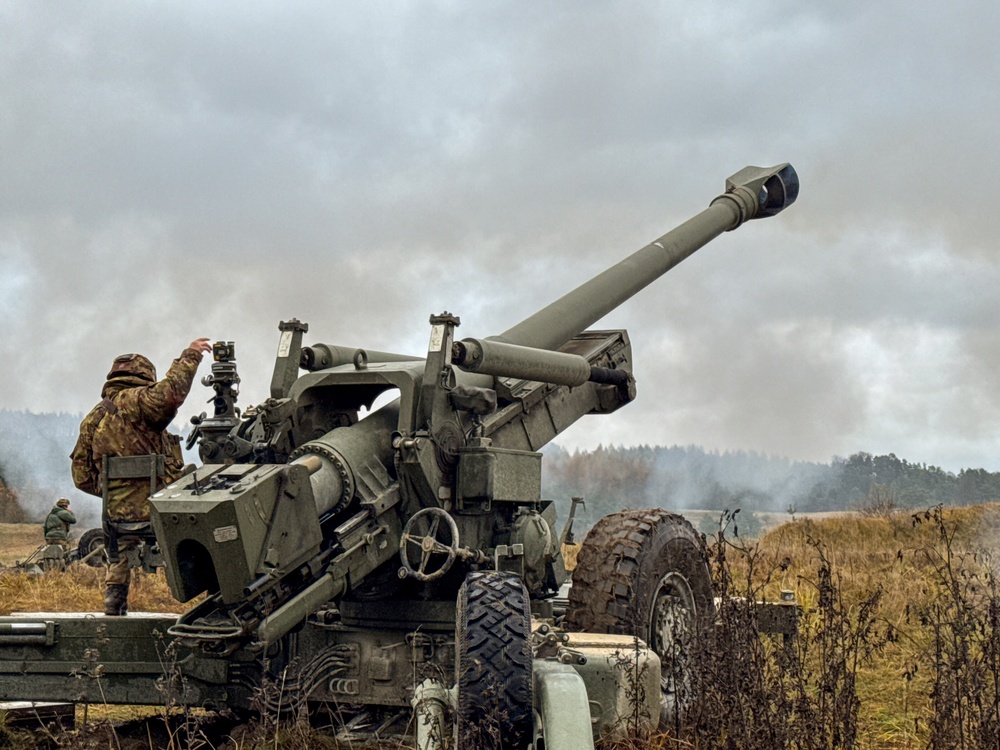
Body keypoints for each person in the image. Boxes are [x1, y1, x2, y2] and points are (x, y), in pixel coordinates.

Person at [71, 338, 212, 616]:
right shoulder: (140, 401)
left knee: (121, 545)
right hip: (162, 509)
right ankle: (213, 597)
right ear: (144, 377)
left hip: (118, 517)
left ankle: (114, 598)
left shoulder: (92, 420)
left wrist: (116, 492)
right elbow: (172, 392)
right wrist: (191, 355)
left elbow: (81, 476)